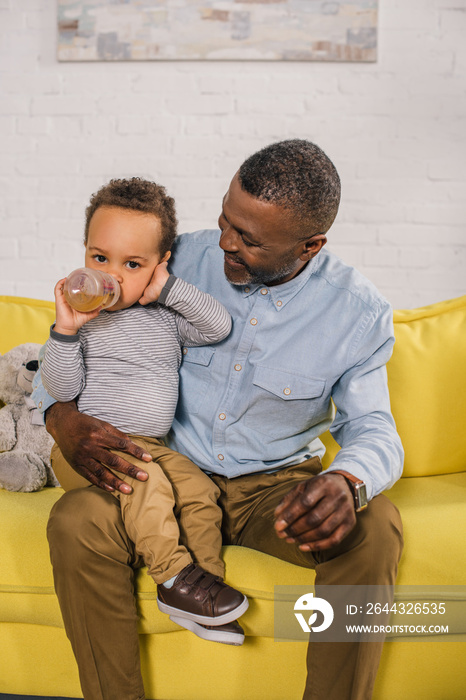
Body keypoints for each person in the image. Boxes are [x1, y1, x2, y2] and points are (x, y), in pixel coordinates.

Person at [33, 139, 404, 700]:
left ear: (310, 245)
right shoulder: (168, 257)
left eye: (250, 240)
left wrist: (347, 482)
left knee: (374, 529)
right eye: (226, 221)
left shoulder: (357, 312)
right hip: (159, 471)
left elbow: (374, 426)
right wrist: (60, 416)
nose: (227, 242)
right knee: (75, 520)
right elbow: (74, 353)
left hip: (271, 491)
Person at [39, 177, 249, 646]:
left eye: (132, 264)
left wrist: (167, 291)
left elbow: (217, 326)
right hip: (89, 449)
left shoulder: (165, 318)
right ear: (85, 253)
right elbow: (60, 387)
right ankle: (173, 577)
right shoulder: (83, 322)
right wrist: (66, 330)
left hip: (148, 446)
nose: (111, 276)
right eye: (100, 258)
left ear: (159, 266)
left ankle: (205, 591)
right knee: (147, 484)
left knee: (199, 492)